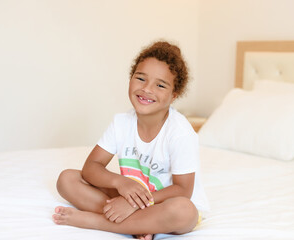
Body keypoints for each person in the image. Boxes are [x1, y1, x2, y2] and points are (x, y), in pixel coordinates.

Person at [52, 40, 208, 240]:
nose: (147, 89)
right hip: (130, 195)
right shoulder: (121, 123)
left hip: (162, 203)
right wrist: (120, 182)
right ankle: (138, 225)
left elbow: (183, 190)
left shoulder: (180, 133)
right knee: (67, 179)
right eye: (141, 78)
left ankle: (95, 221)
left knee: (184, 211)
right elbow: (91, 167)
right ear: (131, 78)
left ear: (173, 95)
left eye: (160, 85)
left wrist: (137, 203)